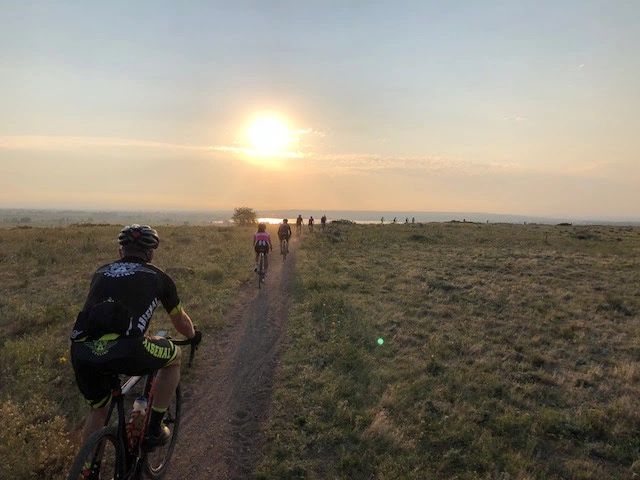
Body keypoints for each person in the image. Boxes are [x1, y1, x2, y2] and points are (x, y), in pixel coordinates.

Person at [70, 224, 200, 452]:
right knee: (174, 356)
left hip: (82, 351)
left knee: (98, 410)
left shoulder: (100, 272)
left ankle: (88, 469)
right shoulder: (159, 277)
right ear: (150, 254)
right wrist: (192, 335)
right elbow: (180, 321)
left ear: (121, 251)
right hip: (128, 349)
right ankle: (154, 428)